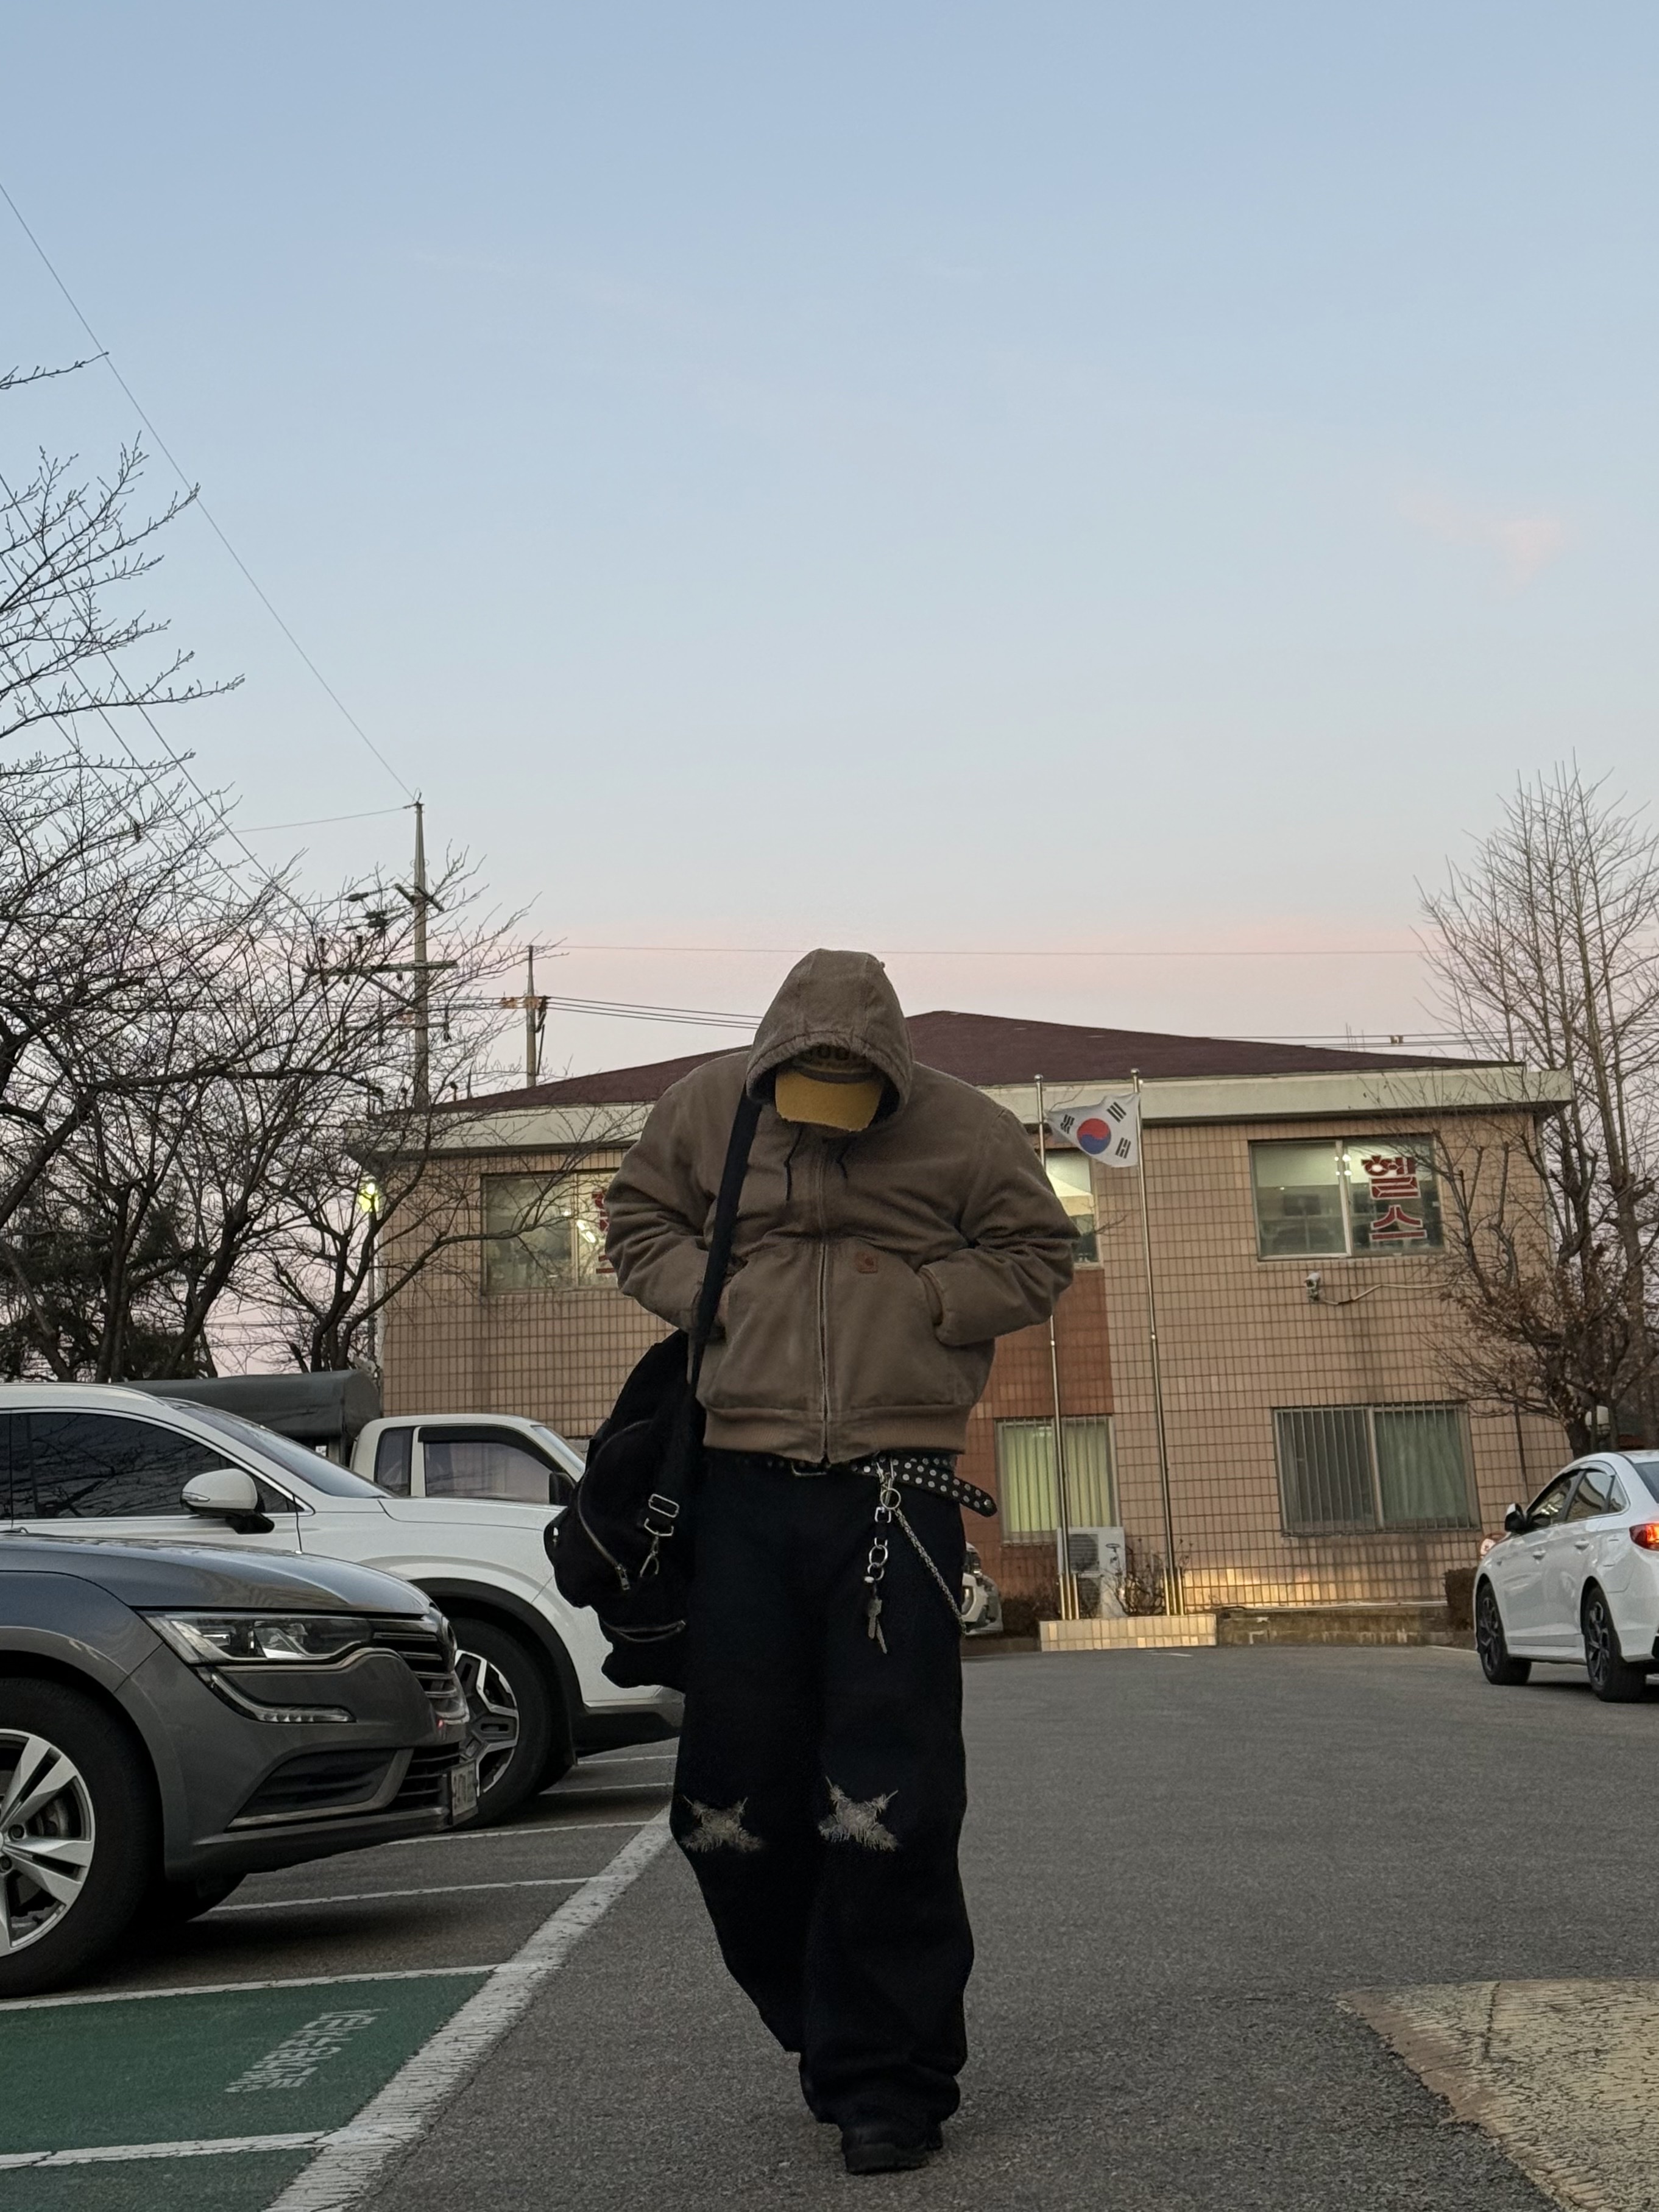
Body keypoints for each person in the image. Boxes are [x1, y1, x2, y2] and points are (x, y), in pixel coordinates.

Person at [606, 948, 1074, 2174]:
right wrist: (715, 1300)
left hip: (898, 1495)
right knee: (724, 1808)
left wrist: (921, 1301)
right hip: (739, 1492)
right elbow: (637, 1215)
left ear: (889, 1075)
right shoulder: (706, 1106)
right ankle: (825, 2021)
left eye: (851, 1095)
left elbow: (1039, 1255)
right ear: (771, 1065)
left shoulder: (968, 1131)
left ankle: (891, 2081)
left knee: (891, 1800)